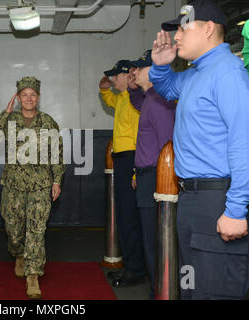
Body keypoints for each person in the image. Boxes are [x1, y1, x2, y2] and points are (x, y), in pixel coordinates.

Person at [149, 0, 249, 299]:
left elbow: (243, 142)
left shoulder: (228, 73)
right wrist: (160, 65)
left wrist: (236, 208)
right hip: (191, 198)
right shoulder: (196, 73)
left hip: (217, 199)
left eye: (183, 28)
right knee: (191, 285)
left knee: (215, 290)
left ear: (208, 29)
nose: (176, 36)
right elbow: (166, 89)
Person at [0, 76, 64, 299]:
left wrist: (57, 180)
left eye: (33, 95)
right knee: (13, 228)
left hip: (41, 185)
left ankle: (33, 276)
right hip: (13, 184)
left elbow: (57, 155)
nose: (29, 98)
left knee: (37, 230)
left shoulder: (48, 122)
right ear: (18, 98)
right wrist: (5, 112)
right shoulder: (10, 120)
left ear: (38, 98)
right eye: (24, 95)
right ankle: (19, 253)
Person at [129, 49, 176, 299]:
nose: (134, 72)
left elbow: (167, 146)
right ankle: (158, 288)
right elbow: (138, 104)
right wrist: (133, 87)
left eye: (140, 68)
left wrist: (159, 181)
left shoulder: (159, 101)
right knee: (150, 237)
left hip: (157, 179)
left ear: (154, 72)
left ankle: (160, 290)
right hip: (147, 175)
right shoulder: (150, 97)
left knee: (154, 239)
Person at [99, 60, 147, 287]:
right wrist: (103, 88)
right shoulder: (121, 97)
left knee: (130, 218)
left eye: (114, 76)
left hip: (132, 159)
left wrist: (137, 171)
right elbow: (108, 98)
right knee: (125, 216)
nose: (111, 80)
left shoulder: (138, 100)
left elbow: (143, 138)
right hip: (123, 159)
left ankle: (136, 270)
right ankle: (132, 266)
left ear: (128, 76)